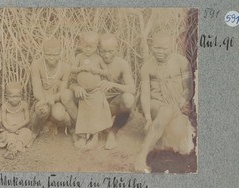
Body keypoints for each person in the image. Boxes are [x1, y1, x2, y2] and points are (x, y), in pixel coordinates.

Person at [61, 33, 136, 150]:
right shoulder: (88, 59)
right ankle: (81, 130)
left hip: (109, 105)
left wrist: (113, 85)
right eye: (103, 51)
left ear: (117, 48)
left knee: (128, 99)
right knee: (66, 95)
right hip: (88, 103)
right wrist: (76, 87)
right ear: (97, 48)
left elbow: (132, 88)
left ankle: (112, 132)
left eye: (110, 51)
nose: (106, 55)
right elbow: (71, 81)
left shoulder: (122, 64)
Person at [134, 31, 195, 173]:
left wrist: (178, 104)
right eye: (157, 48)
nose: (160, 52)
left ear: (172, 46)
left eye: (164, 48)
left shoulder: (181, 62)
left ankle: (159, 138)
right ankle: (142, 156)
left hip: (176, 106)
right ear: (152, 46)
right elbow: (145, 94)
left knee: (182, 147)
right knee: (165, 111)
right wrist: (148, 119)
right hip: (156, 105)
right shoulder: (147, 66)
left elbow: (188, 90)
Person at [71, 31, 112, 149]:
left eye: (92, 47)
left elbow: (108, 73)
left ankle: (95, 136)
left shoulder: (98, 59)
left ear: (96, 47)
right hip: (83, 92)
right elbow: (72, 69)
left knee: (95, 114)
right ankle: (83, 136)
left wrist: (97, 71)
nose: (88, 49)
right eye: (85, 46)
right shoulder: (79, 57)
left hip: (96, 92)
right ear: (81, 45)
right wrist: (81, 68)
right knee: (84, 115)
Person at [29, 37, 71, 145]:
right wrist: (44, 101)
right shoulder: (36, 64)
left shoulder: (65, 68)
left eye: (55, 55)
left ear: (60, 53)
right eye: (48, 54)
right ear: (43, 53)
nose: (51, 58)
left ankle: (71, 128)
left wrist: (52, 98)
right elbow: (37, 90)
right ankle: (34, 132)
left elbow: (62, 92)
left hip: (56, 100)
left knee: (59, 115)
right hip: (42, 98)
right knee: (41, 110)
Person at [0, 82, 32, 159]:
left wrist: (17, 127)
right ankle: (12, 149)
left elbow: (27, 119)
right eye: (12, 97)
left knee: (27, 132)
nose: (15, 99)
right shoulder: (4, 106)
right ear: (7, 97)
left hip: (20, 128)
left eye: (17, 96)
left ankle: (17, 145)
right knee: (7, 136)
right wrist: (9, 128)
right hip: (8, 129)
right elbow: (4, 121)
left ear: (21, 96)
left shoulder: (24, 105)